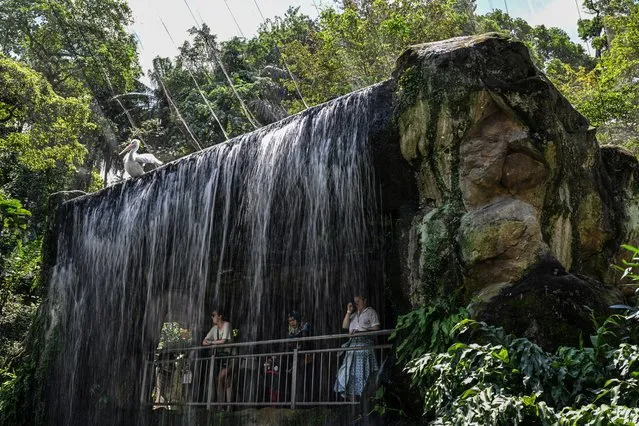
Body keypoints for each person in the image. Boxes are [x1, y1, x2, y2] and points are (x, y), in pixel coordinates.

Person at [334, 295, 380, 400]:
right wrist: (348, 311)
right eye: (355, 302)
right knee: (349, 372)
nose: (356, 304)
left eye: (358, 301)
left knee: (364, 372)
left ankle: (366, 397)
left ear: (365, 301)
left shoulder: (371, 312)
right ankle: (353, 398)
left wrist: (360, 332)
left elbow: (376, 328)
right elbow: (345, 326)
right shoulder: (354, 315)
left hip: (364, 346)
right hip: (352, 347)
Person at [202, 310, 234, 407]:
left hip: (232, 357)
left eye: (213, 315)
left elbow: (223, 341)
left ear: (220, 316)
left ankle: (224, 405)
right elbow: (204, 341)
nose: (212, 317)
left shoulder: (227, 325)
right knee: (226, 379)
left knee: (221, 377)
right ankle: (226, 406)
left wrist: (211, 343)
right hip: (222, 359)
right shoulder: (214, 328)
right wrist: (208, 342)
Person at [286, 310, 314, 403]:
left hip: (307, 356)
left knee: (306, 379)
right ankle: (296, 401)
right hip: (297, 358)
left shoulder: (305, 326)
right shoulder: (291, 330)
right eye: (290, 321)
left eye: (293, 320)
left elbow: (306, 340)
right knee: (297, 380)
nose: (292, 322)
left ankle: (305, 401)